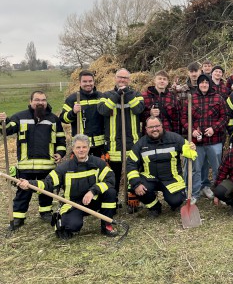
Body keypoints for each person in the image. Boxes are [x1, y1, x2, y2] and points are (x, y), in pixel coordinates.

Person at [16, 134, 118, 239]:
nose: (81, 150)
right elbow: (47, 183)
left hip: (92, 200)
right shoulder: (64, 168)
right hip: (72, 204)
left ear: (88, 148)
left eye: (84, 147)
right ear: (73, 149)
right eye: (78, 147)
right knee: (73, 226)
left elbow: (110, 179)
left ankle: (107, 225)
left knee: (110, 192)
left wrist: (93, 191)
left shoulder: (98, 163)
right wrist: (29, 184)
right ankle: (60, 222)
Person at [0, 90, 66, 229]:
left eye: (43, 100)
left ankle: (45, 212)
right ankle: (18, 217)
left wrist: (60, 153)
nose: (40, 102)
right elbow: (6, 131)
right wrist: (1, 121)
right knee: (23, 191)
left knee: (46, 190)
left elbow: (61, 139)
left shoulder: (53, 119)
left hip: (47, 164)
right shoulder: (20, 117)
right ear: (31, 102)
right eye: (37, 100)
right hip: (25, 165)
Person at [127, 117, 198, 218]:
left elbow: (188, 150)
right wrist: (136, 183)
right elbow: (131, 163)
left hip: (171, 178)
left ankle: (174, 203)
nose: (154, 129)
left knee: (175, 201)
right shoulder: (140, 144)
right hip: (150, 178)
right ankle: (155, 207)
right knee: (134, 186)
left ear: (162, 126)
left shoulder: (175, 138)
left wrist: (191, 149)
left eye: (157, 126)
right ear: (146, 129)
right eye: (151, 127)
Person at [97, 68, 145, 196]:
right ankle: (113, 200)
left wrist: (127, 94)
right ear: (115, 78)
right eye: (120, 77)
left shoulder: (136, 95)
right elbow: (103, 111)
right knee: (114, 176)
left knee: (132, 174)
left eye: (125, 78)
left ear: (129, 80)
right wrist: (117, 95)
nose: (122, 80)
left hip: (132, 144)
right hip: (113, 145)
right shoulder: (106, 95)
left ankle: (131, 201)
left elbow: (139, 110)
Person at [181, 74, 228, 202]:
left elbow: (225, 117)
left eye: (206, 83)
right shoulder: (191, 99)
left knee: (218, 168)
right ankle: (194, 194)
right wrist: (192, 130)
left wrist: (214, 128)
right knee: (195, 169)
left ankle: (219, 194)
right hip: (197, 143)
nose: (204, 85)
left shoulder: (218, 98)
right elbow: (184, 119)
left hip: (214, 141)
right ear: (198, 85)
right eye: (201, 83)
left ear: (210, 84)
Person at [60, 70, 105, 157]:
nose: (88, 84)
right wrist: (73, 112)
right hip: (80, 145)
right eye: (85, 81)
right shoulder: (72, 99)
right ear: (80, 82)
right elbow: (63, 119)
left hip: (100, 145)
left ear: (94, 82)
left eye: (90, 81)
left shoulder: (101, 97)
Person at [141, 70, 181, 134]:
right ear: (155, 81)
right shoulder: (144, 96)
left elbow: (177, 120)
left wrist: (177, 137)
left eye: (164, 79)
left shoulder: (173, 98)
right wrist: (149, 113)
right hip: (150, 135)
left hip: (167, 135)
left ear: (167, 82)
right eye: (159, 79)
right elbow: (139, 117)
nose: (162, 81)